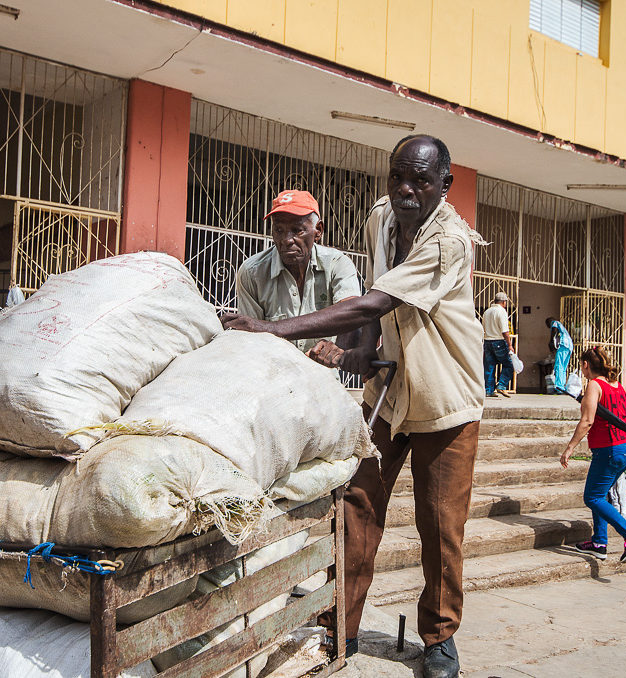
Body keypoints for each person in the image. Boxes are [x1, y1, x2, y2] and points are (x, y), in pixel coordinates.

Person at [222, 134, 485, 678]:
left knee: (440, 526)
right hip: (386, 396)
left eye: (422, 180)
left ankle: (439, 637)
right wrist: (364, 351)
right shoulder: (382, 216)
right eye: (399, 177)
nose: (408, 190)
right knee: (356, 508)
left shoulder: (451, 242)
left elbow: (374, 299)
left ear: (445, 185)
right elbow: (375, 295)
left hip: (446, 402)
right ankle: (339, 623)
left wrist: (270, 330)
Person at [236, 189, 361, 354]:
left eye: (297, 230)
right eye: (279, 230)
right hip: (270, 374)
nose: (287, 240)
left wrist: (335, 349)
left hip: (322, 376)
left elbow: (351, 313)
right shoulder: (252, 272)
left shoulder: (336, 264)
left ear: (318, 231)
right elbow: (250, 340)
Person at [560, 346, 626, 563]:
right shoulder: (617, 385)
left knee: (593, 497)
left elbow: (587, 421)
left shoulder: (594, 385)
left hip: (610, 450)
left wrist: (570, 447)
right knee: (602, 495)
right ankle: (599, 542)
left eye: (582, 366)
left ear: (586, 365)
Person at [482, 291, 513, 398]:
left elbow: (483, 327)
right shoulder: (501, 312)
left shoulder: (487, 312)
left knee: (489, 367)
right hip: (498, 341)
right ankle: (502, 385)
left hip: (487, 341)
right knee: (509, 365)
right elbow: (505, 331)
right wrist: (509, 345)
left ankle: (489, 390)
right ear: (504, 302)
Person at [546, 316, 573, 392]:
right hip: (569, 346)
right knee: (563, 367)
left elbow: (554, 330)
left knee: (559, 366)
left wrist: (551, 341)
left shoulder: (554, 323)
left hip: (563, 345)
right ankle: (562, 386)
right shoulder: (562, 327)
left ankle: (559, 387)